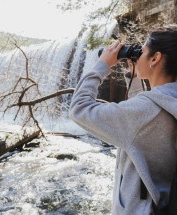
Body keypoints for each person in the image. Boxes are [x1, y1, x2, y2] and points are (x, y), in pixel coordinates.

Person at [69, 26, 177, 215]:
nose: (137, 56)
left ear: (155, 58)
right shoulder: (167, 101)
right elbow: (144, 119)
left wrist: (102, 65)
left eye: (141, 52)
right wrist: (134, 77)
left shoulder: (144, 112)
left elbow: (79, 108)